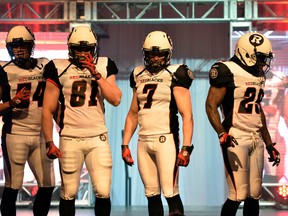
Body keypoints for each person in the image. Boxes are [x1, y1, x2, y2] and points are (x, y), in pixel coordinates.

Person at [41, 25, 122, 216]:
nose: (83, 53)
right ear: (70, 48)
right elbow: (48, 109)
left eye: (87, 49)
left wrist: (96, 74)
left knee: (103, 190)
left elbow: (116, 99)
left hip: (98, 136)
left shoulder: (103, 64)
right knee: (68, 192)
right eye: (78, 49)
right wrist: (49, 142)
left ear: (94, 49)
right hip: (70, 136)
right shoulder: (58, 67)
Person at [205, 32, 281, 216]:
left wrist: (269, 143)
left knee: (254, 194)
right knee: (238, 193)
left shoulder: (258, 76)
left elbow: (257, 110)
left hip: (256, 138)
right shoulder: (227, 70)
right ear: (247, 53)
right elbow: (210, 105)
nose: (263, 63)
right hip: (235, 136)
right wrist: (221, 133)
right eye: (260, 58)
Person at [121, 30, 194, 216]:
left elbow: (187, 115)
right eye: (151, 53)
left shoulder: (176, 73)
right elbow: (132, 114)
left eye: (159, 53)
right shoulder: (138, 73)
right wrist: (124, 144)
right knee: (151, 194)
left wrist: (186, 147)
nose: (155, 58)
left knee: (170, 191)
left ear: (167, 53)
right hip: (143, 140)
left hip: (166, 139)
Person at [0, 25, 55, 216]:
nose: (19, 50)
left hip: (40, 134)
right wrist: (13, 102)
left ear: (31, 46)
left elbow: (55, 98)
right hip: (15, 134)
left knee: (48, 184)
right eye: (15, 47)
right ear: (10, 49)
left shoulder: (45, 65)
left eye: (23, 45)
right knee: (13, 184)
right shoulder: (3, 70)